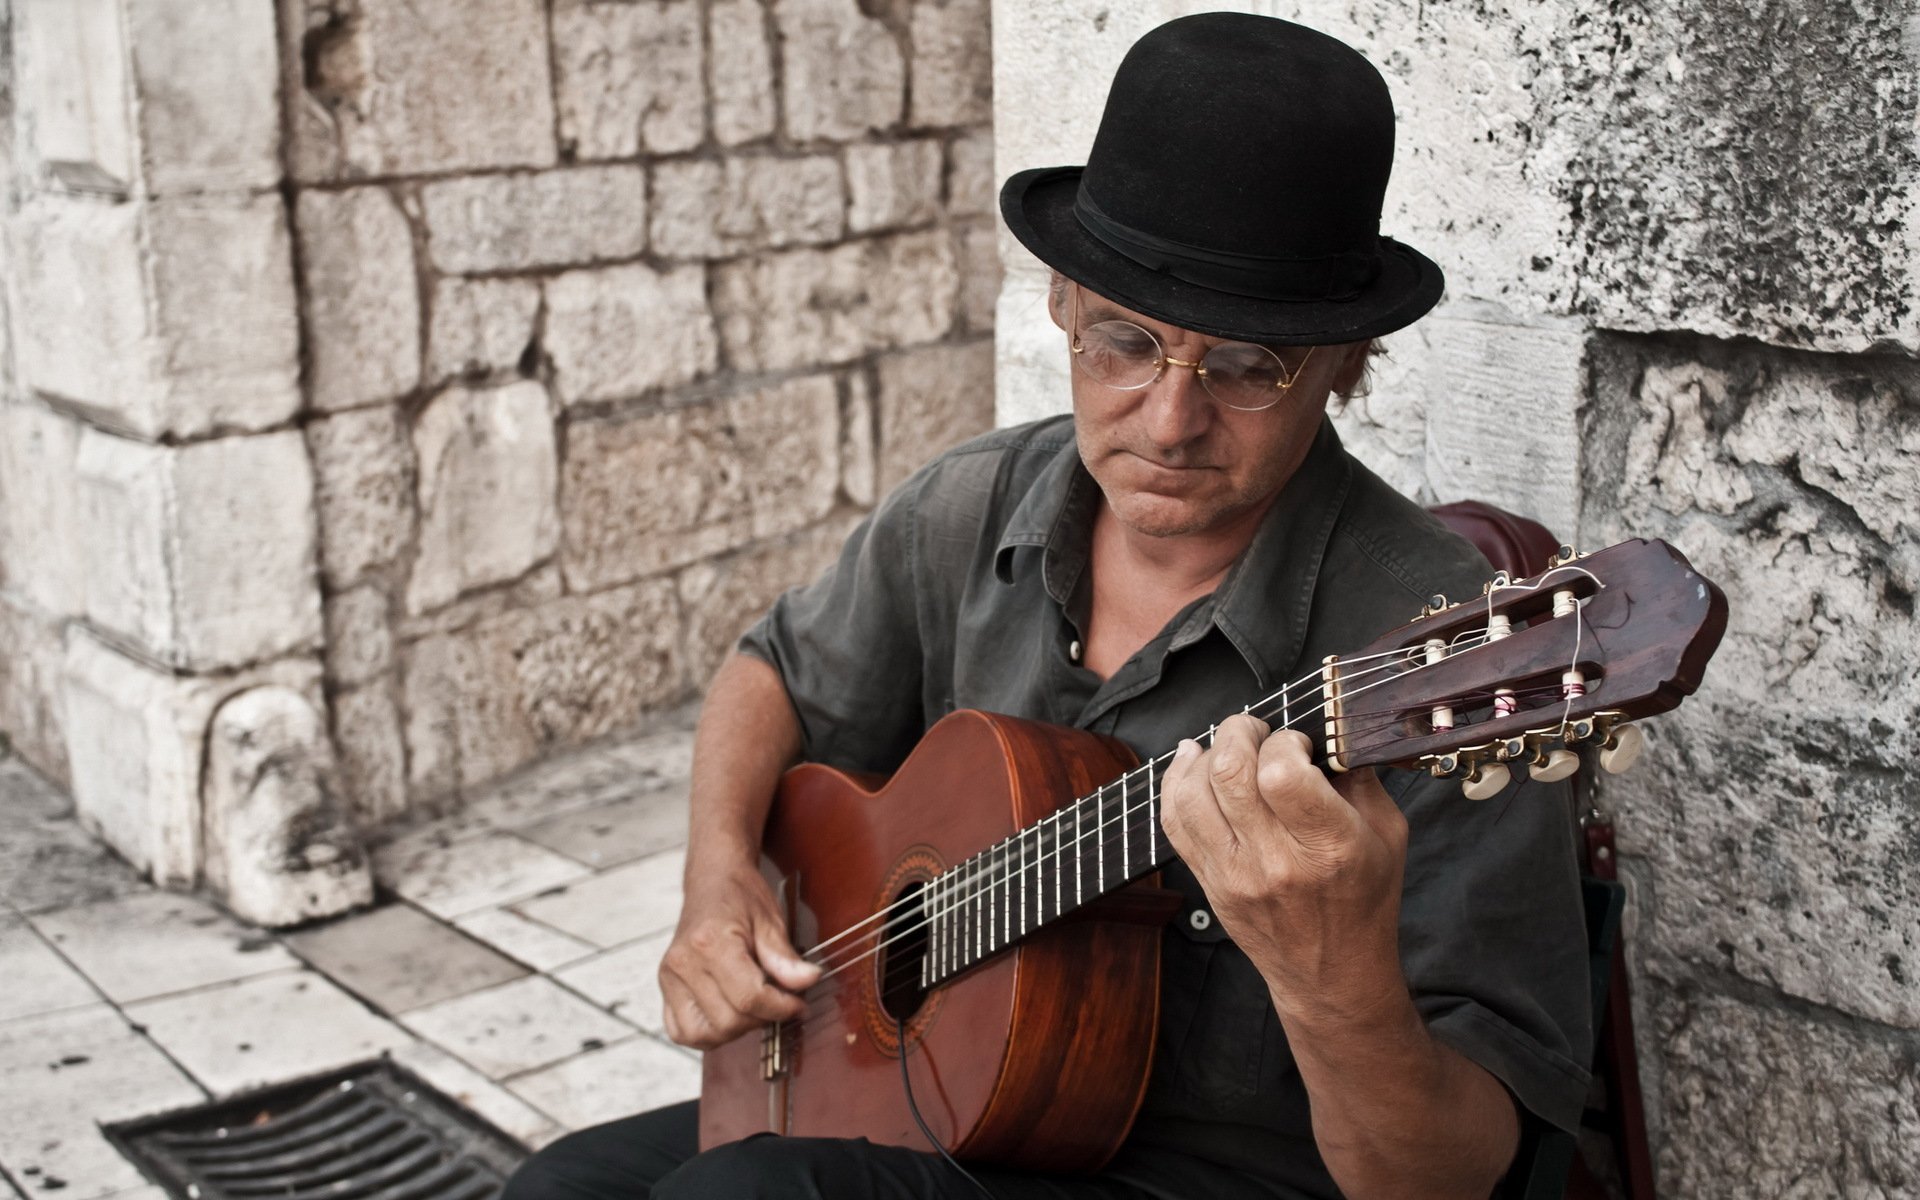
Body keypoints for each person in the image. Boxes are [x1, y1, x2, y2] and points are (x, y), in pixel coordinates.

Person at [505, 13, 1591, 1200]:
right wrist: (717, 873)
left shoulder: (1446, 653)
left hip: (1222, 1177)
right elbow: (772, 672)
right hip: (947, 1106)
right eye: (1127, 342)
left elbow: (1450, 1180)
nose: (1170, 420)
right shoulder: (978, 503)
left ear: (1345, 365)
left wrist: (1335, 979)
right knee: (564, 1188)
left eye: (1244, 368)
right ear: (1065, 307)